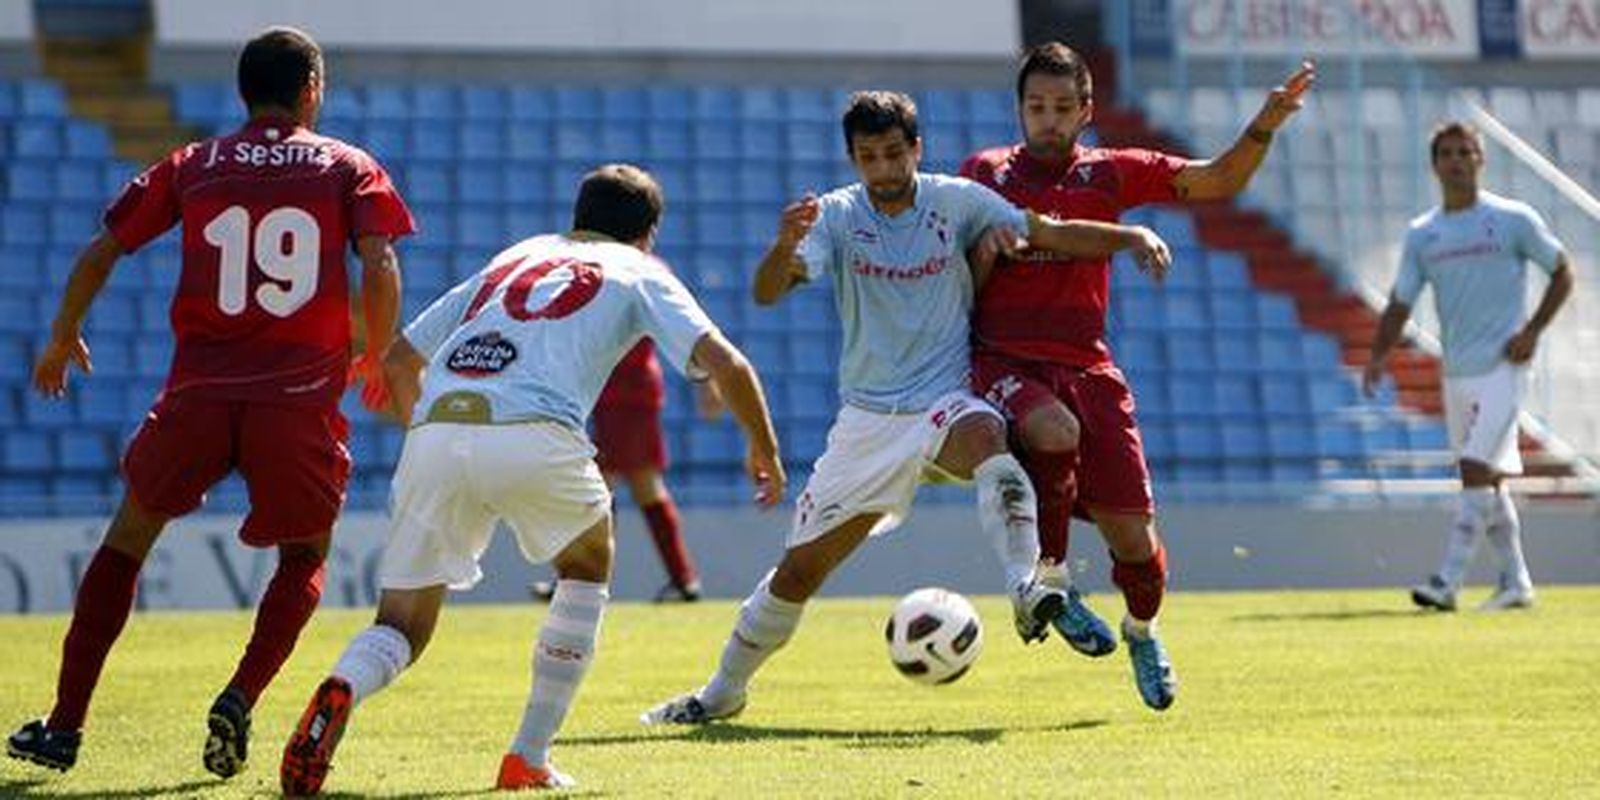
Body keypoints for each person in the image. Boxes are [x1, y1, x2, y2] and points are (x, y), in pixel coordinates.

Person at [642, 90, 1171, 727]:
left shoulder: (957, 200)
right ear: (853, 158)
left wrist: (1131, 234)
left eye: (895, 153)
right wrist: (785, 246)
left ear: (916, 149)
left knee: (988, 439)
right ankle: (724, 690)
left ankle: (1027, 587)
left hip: (944, 401)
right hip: (867, 420)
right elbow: (766, 294)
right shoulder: (834, 216)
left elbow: (1049, 231)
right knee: (800, 570)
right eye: (869, 157)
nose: (885, 168)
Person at [278, 164, 785, 795]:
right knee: (588, 560)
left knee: (402, 624)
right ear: (648, 235)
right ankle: (528, 756)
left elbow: (402, 359)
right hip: (535, 430)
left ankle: (345, 684)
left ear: (578, 217)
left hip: (437, 431)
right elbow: (726, 364)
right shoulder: (640, 270)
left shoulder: (516, 255)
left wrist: (432, 435)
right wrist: (762, 446)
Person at [6, 27, 412, 778]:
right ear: (312, 90)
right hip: (295, 401)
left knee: (126, 542)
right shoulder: (346, 166)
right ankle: (239, 697)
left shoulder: (193, 162)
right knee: (305, 557)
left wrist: (63, 336)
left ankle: (63, 726)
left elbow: (103, 249)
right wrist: (378, 353)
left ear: (242, 93)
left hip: (196, 392)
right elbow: (380, 261)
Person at [960, 43, 1314, 711]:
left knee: (1138, 547)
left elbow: (1215, 180)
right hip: (1002, 359)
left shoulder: (1110, 173)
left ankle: (1141, 631)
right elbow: (956, 278)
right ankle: (1051, 581)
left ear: (1087, 111)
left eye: (1063, 108)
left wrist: (1265, 123)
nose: (1049, 120)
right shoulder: (984, 173)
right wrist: (984, 252)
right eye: (1036, 107)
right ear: (1019, 110)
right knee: (1050, 429)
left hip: (1089, 366)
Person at [1363, 121, 1572, 613]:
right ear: (1434, 165)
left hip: (1506, 367)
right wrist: (1377, 355)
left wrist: (1533, 331)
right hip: (1457, 371)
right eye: (1447, 153)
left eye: (1465, 151)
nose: (1457, 160)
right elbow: (1400, 301)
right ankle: (1517, 582)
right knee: (1489, 479)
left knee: (1475, 468)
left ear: (1480, 159)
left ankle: (1447, 581)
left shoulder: (1512, 218)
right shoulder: (1424, 234)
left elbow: (1563, 270)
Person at [531, 338, 724, 603]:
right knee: (642, 488)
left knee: (600, 488)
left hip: (626, 393)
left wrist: (706, 381)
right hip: (619, 393)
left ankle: (579, 581)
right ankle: (683, 580)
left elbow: (683, 331)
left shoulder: (635, 294)